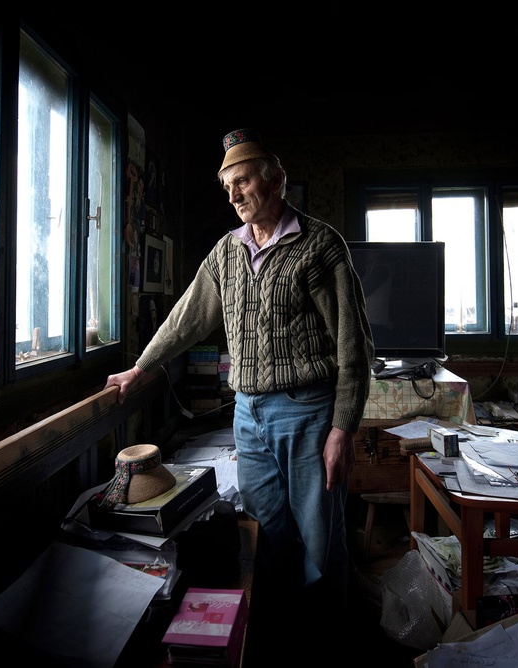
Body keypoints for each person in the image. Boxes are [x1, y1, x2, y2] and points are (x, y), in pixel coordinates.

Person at [104, 128, 374, 656]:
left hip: (306, 411)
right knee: (266, 528)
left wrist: (343, 428)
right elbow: (186, 318)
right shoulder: (228, 251)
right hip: (248, 413)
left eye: (242, 181)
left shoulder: (319, 246)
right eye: (226, 186)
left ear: (274, 180)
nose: (233, 195)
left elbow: (354, 346)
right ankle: (277, 637)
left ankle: (326, 643)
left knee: (320, 536)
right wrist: (141, 367)